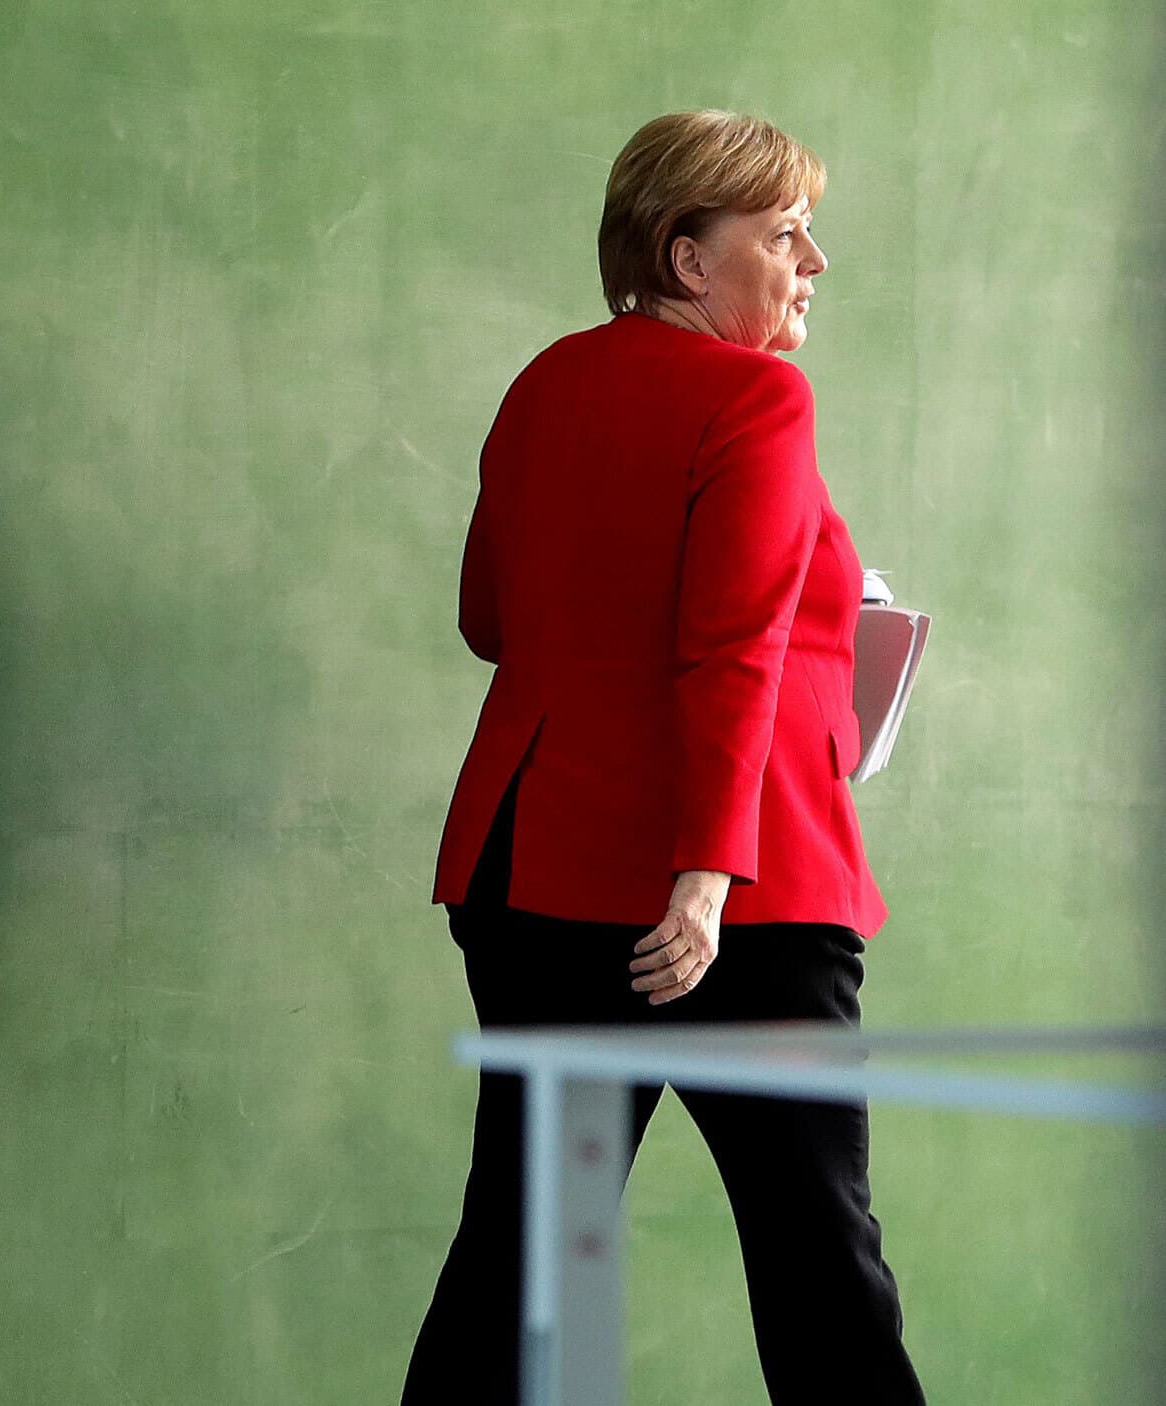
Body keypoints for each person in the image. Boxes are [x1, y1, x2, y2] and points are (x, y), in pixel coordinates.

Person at [399, 111, 927, 1404]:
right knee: (820, 1264)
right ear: (690, 260)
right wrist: (703, 878)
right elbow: (735, 644)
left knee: (516, 1255)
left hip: (527, 866)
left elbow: (488, 619)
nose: (814, 260)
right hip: (733, 887)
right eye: (786, 234)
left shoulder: (544, 386)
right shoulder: (758, 394)